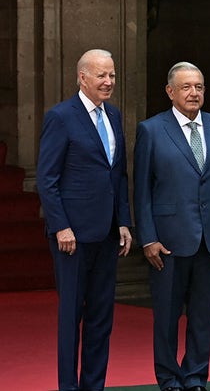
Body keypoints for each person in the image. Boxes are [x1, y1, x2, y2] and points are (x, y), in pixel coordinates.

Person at [133, 62, 210, 391]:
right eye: (186, 87)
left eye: (199, 87)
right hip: (167, 241)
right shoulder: (151, 130)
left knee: (202, 316)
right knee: (166, 317)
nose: (194, 93)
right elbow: (141, 191)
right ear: (170, 92)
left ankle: (195, 377)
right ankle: (168, 379)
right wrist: (148, 238)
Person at [36, 49, 134, 391]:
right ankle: (68, 386)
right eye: (101, 76)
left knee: (101, 319)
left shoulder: (115, 115)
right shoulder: (61, 117)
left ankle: (94, 386)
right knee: (71, 318)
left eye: (112, 76)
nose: (108, 82)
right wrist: (60, 225)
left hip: (107, 233)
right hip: (71, 237)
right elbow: (46, 178)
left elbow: (118, 173)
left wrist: (123, 221)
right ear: (83, 77)